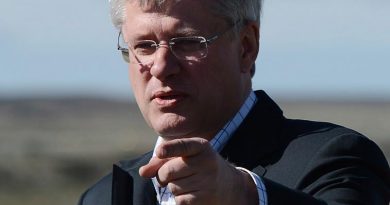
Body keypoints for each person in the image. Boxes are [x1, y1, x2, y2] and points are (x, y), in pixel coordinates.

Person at [78, 0, 390, 204]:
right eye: (144, 46)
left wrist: (243, 194)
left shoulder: (338, 159)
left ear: (246, 47)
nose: (160, 66)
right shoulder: (103, 196)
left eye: (187, 42)